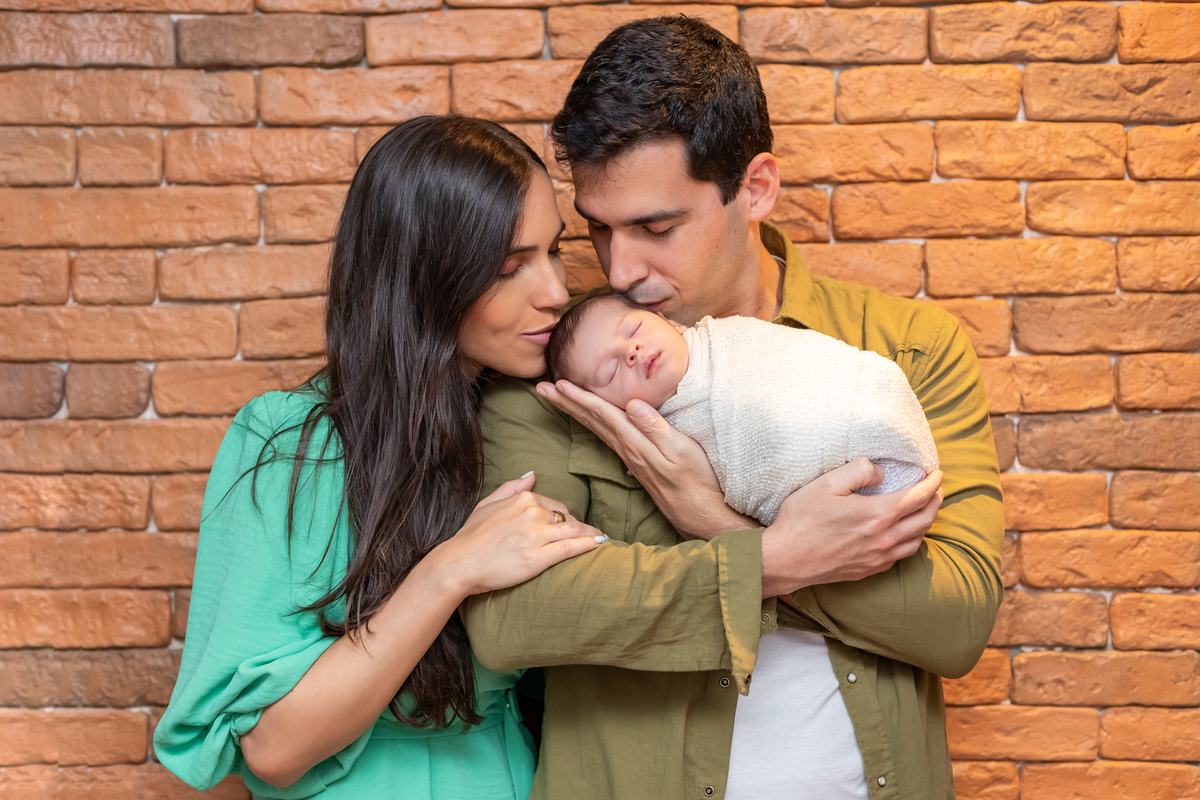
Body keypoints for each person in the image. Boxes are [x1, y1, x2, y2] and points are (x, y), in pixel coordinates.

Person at [461, 16, 1003, 800]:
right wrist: (772, 560)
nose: (622, 268)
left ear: (755, 188)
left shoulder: (903, 350)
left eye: (656, 227)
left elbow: (956, 624)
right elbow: (514, 620)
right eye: (599, 229)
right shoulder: (565, 371)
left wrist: (717, 523)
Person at [152, 115, 609, 799]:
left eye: (554, 251)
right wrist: (450, 570)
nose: (554, 291)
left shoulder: (529, 423)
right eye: (510, 268)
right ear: (425, 276)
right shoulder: (292, 442)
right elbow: (274, 749)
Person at [544, 293, 939, 522]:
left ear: (666, 319)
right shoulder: (661, 444)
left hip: (868, 406)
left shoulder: (733, 336)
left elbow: (807, 361)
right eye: (611, 371)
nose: (631, 351)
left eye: (634, 328)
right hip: (842, 501)